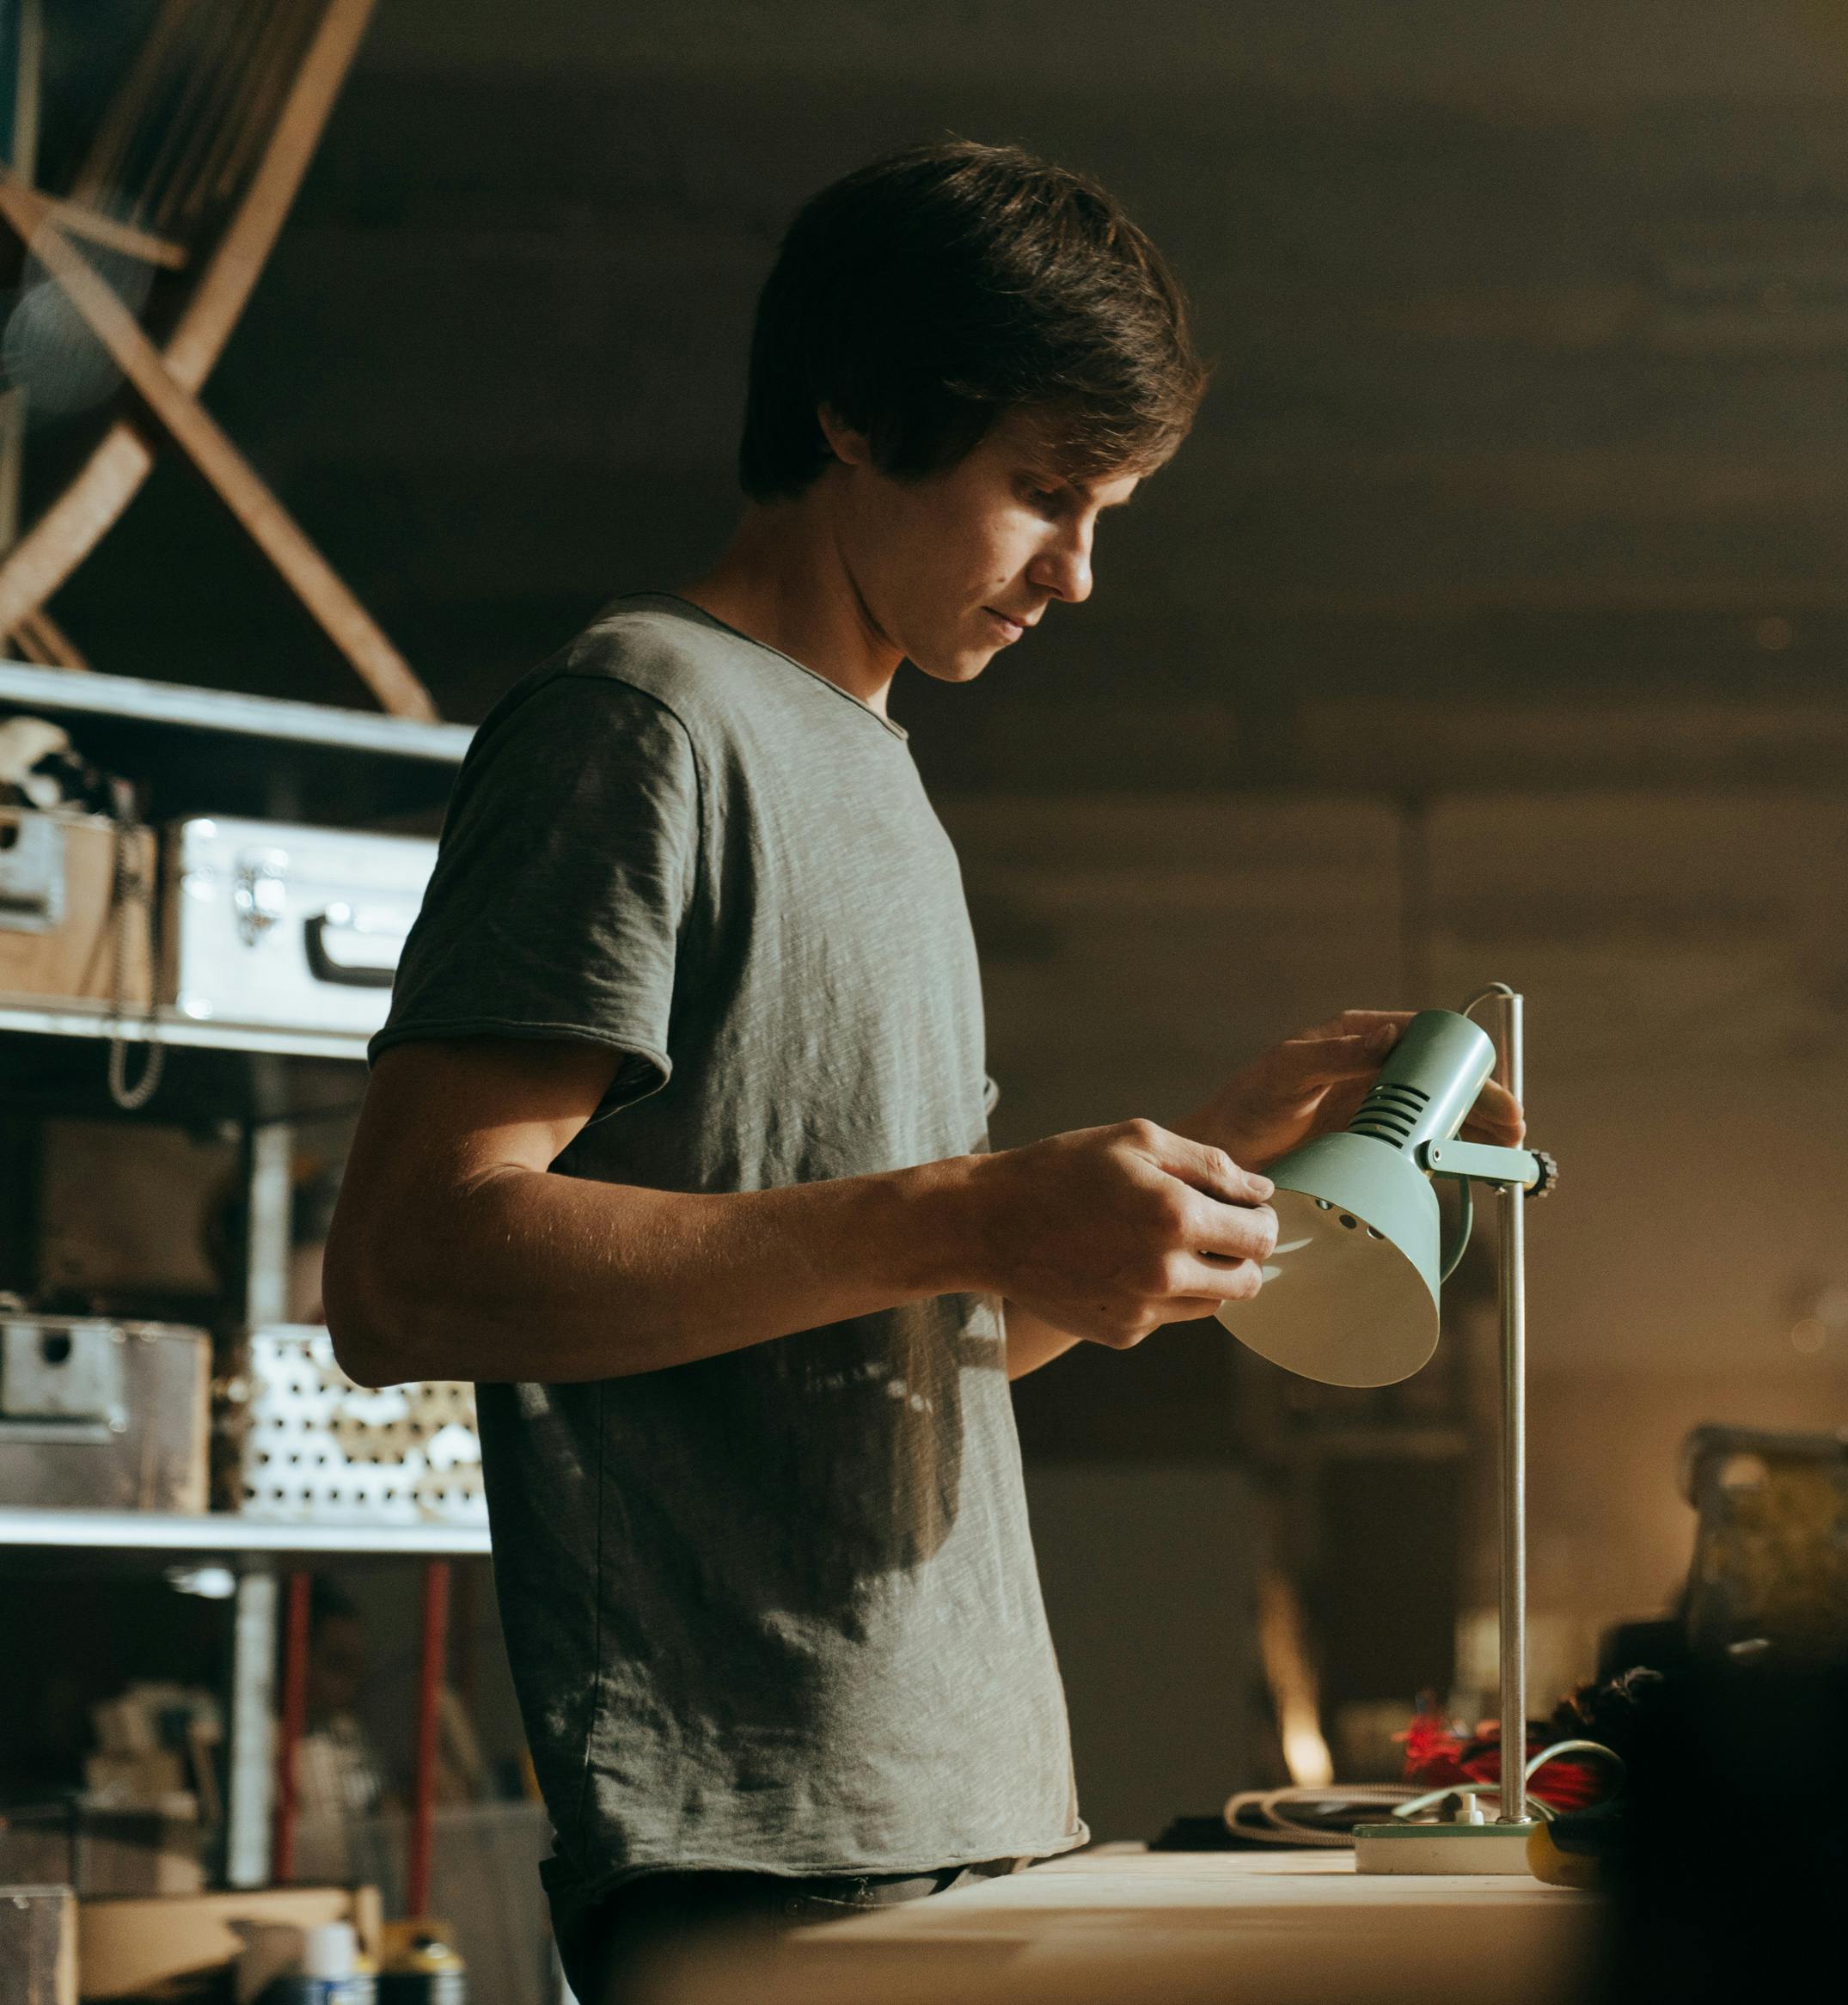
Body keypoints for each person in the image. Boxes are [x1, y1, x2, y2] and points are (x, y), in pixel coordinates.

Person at [321, 140, 1516, 2003]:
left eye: (1108, 509)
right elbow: (405, 1273)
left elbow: (907, 1351)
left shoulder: (879, 778)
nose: (1082, 574)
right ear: (860, 416)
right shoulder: (641, 721)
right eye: (1045, 494)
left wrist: (1191, 1170)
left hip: (968, 1804)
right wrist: (971, 1206)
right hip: (758, 1841)